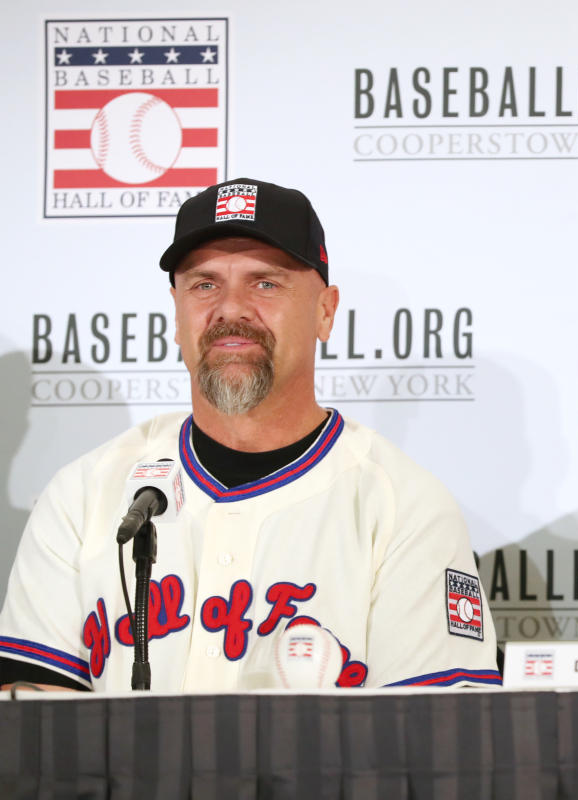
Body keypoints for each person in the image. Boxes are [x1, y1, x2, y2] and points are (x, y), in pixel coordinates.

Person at [0, 178, 500, 691]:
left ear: (325, 311)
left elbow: (435, 743)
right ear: (176, 312)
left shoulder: (403, 507)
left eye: (266, 283)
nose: (231, 308)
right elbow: (32, 731)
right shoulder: (83, 493)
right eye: (204, 284)